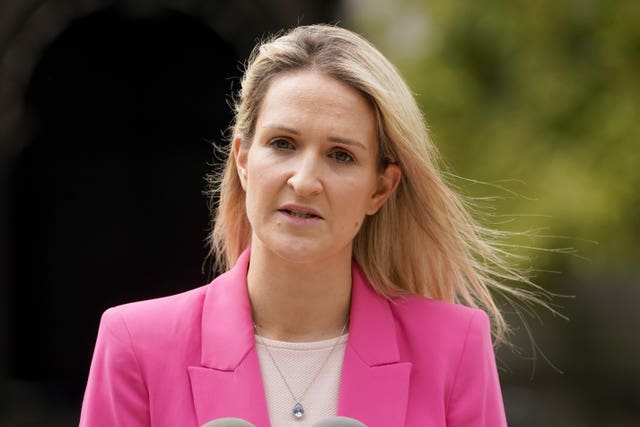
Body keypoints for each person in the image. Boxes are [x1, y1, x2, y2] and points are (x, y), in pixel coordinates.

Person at [80, 24, 541, 426]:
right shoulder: (135, 346)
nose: (304, 181)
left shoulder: (453, 347)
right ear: (242, 160)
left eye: (341, 155)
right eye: (282, 143)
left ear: (380, 188)